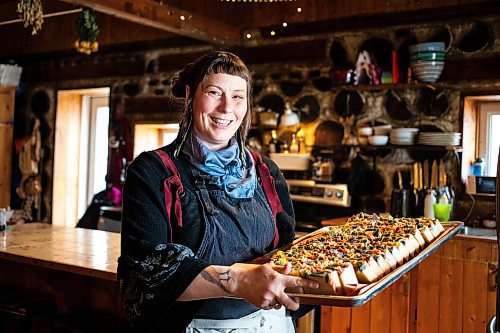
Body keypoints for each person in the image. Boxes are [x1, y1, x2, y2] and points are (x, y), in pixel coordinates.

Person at [117, 50, 318, 333]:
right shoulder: (154, 172)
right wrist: (239, 281)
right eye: (214, 92)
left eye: (238, 96)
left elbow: (286, 253)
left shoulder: (266, 172)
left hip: (271, 325)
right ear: (189, 96)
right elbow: (147, 271)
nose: (226, 108)